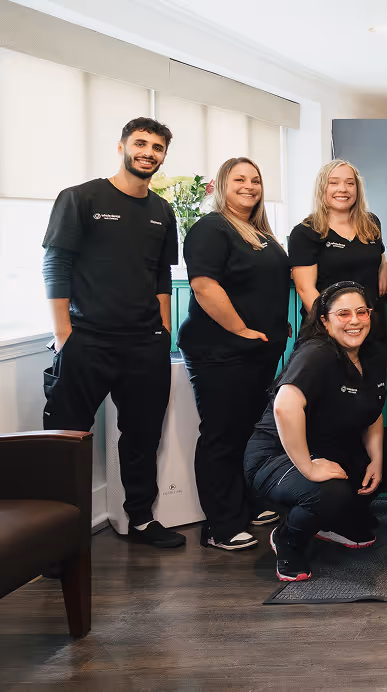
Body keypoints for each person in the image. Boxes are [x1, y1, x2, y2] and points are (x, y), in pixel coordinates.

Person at [41, 117, 184, 549]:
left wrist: (163, 329)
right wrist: (64, 333)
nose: (148, 153)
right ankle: (53, 540)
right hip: (87, 339)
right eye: (140, 143)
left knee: (142, 437)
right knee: (66, 440)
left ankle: (140, 519)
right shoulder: (80, 198)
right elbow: (55, 265)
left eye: (157, 147)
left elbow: (162, 276)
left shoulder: (162, 211)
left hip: (145, 345)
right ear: (121, 146)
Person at [244, 281, 387, 582]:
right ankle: (288, 540)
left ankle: (338, 523)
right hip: (277, 456)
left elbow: (371, 410)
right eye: (343, 314)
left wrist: (376, 459)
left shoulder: (372, 354)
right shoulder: (317, 353)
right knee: (330, 492)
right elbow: (284, 407)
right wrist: (308, 467)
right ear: (324, 320)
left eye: (361, 312)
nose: (355, 321)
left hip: (330, 448)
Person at [178, 157, 290, 551]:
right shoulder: (211, 228)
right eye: (239, 179)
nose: (249, 185)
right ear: (222, 185)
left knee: (245, 429)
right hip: (220, 350)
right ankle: (221, 525)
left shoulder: (258, 231)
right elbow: (205, 286)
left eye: (256, 180)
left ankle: (243, 504)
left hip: (258, 351)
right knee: (222, 434)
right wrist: (241, 330)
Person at [289, 159, 387, 339]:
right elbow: (305, 289)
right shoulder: (304, 232)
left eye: (350, 183)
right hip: (326, 330)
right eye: (334, 182)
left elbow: (376, 252)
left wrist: (384, 265)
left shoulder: (371, 223)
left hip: (368, 326)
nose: (343, 189)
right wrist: (333, 325)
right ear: (322, 188)